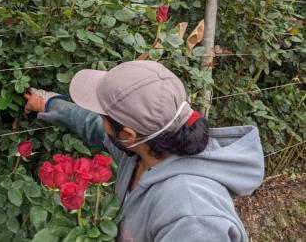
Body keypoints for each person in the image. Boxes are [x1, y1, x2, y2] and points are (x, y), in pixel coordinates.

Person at [23, 60, 264, 242]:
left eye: (103, 115)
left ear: (128, 135)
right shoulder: (146, 151)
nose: (100, 119)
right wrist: (49, 103)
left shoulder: (193, 217)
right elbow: (95, 127)